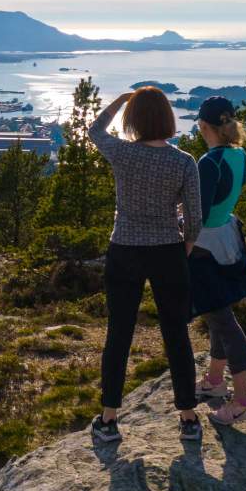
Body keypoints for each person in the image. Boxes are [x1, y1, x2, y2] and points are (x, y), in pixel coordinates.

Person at [86, 85, 205, 445]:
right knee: (176, 334)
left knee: (119, 333)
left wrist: (121, 100)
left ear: (133, 119)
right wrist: (182, 248)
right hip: (168, 250)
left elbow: (94, 131)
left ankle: (108, 419)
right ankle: (187, 418)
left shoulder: (123, 154)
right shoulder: (184, 161)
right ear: (168, 119)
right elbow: (195, 219)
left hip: (124, 248)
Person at [188, 95, 246, 426]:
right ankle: (215, 382)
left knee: (223, 322)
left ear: (204, 126)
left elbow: (199, 215)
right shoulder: (239, 154)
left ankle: (243, 401)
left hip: (205, 248)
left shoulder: (208, 161)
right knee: (219, 313)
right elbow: (225, 198)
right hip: (229, 239)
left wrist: (181, 241)